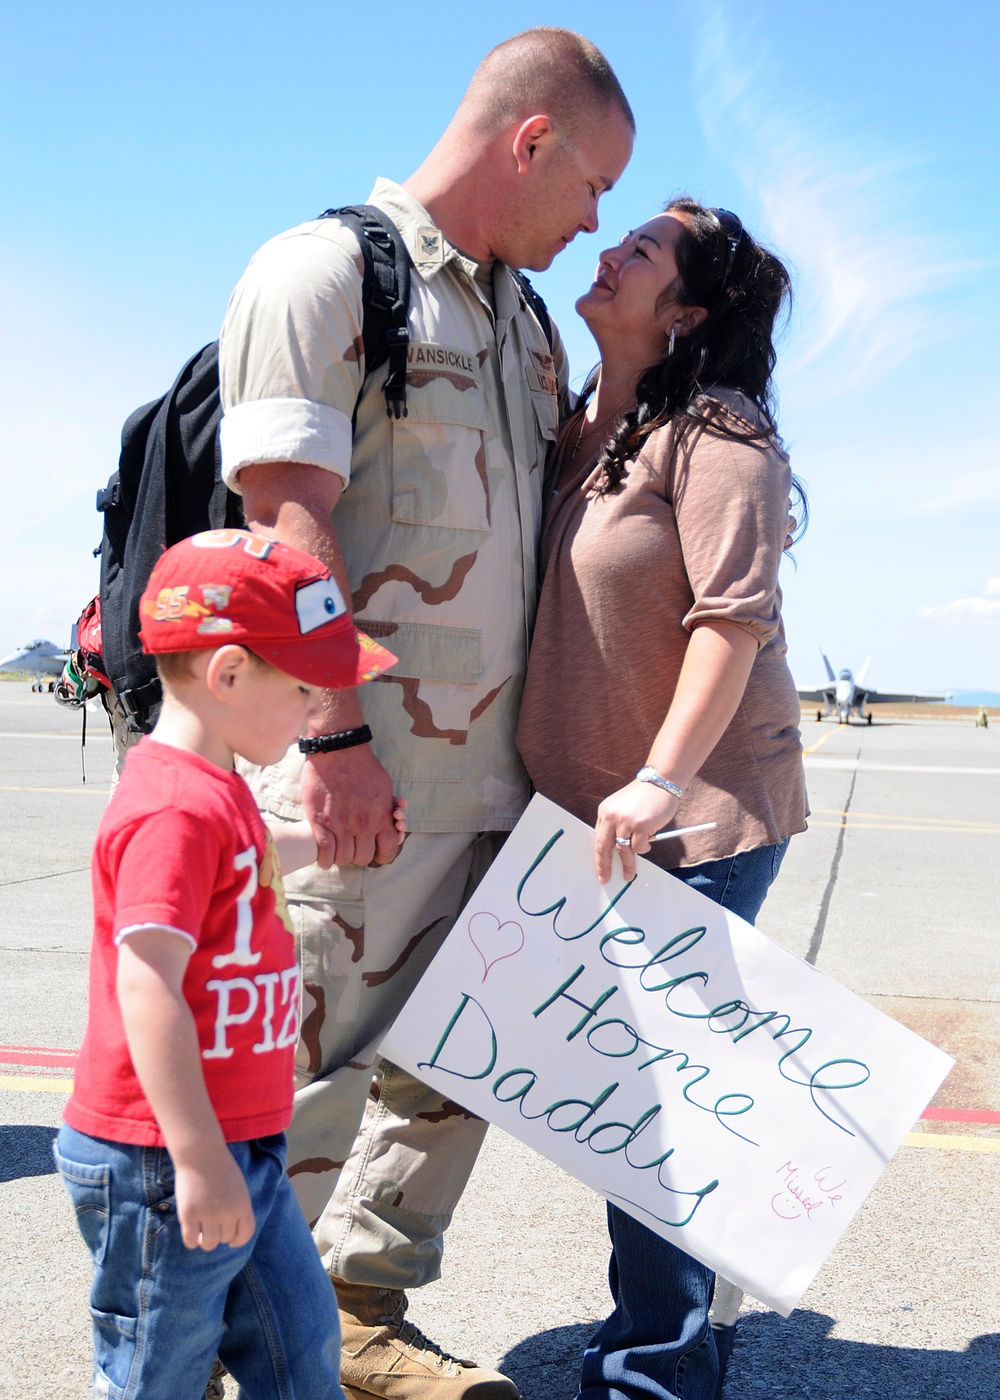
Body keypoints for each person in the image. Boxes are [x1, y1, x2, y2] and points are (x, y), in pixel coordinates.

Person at [217, 26, 635, 1400]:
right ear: (531, 142)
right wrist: (333, 740)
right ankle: (242, 1334)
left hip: (498, 787)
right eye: (592, 189)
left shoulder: (519, 323)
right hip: (361, 772)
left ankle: (359, 1312)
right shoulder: (331, 275)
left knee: (460, 1070)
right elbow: (287, 529)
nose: (596, 224)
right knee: (303, 1066)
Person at [515, 199, 809, 1400]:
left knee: (657, 1112)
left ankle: (656, 1366)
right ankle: (666, 1325)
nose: (611, 249)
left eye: (643, 249)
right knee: (620, 1099)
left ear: (683, 309)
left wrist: (654, 777)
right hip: (586, 828)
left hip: (691, 821)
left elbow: (731, 620)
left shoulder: (716, 431)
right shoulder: (578, 423)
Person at [53, 529, 402, 1399]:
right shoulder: (169, 807)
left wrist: (329, 847)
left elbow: (251, 849)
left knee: (300, 1346)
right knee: (156, 1373)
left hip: (241, 1141)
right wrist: (199, 1157)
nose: (318, 702)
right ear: (231, 674)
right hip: (165, 1162)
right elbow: (148, 984)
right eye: (305, 686)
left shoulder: (216, 792)